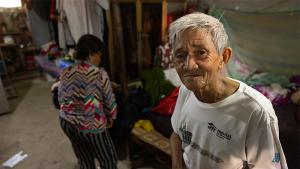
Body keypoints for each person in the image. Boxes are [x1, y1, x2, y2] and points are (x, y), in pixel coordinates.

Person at [169, 13, 288, 169]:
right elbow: (176, 135)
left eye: (201, 53)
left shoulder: (256, 111)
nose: (189, 65)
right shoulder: (186, 91)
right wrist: (177, 165)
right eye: (180, 55)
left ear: (224, 57)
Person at [57, 34, 118, 169]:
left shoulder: (66, 71)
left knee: (85, 160)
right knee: (108, 160)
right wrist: (111, 116)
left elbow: (60, 97)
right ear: (91, 54)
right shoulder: (99, 73)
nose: (100, 59)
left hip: (66, 121)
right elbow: (109, 101)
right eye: (99, 55)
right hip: (91, 124)